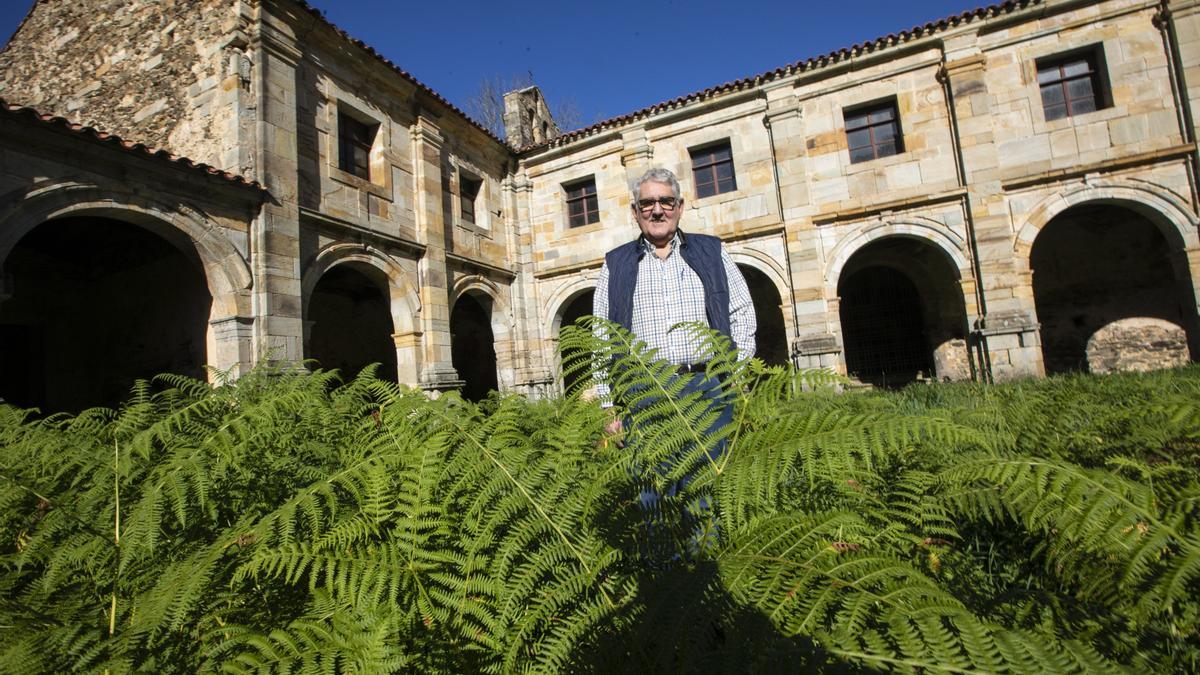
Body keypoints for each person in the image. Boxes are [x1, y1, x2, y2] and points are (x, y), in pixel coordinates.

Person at [593, 167, 755, 558]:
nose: (657, 210)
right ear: (635, 212)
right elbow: (601, 337)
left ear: (680, 207)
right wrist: (608, 403)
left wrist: (735, 377)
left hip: (707, 389)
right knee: (652, 490)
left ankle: (707, 573)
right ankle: (664, 578)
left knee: (706, 485)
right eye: (647, 203)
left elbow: (742, 313)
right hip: (643, 394)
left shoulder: (712, 252)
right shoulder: (615, 265)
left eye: (666, 201)